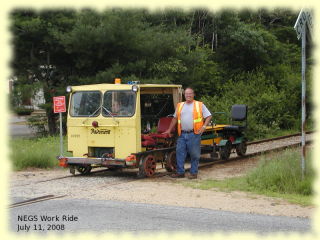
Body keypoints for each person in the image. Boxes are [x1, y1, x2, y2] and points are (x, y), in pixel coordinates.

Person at [163, 87, 212, 179]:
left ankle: (193, 173)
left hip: (194, 134)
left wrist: (204, 126)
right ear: (184, 95)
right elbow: (174, 119)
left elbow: (209, 116)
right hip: (182, 134)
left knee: (194, 154)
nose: (188, 95)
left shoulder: (199, 105)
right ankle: (180, 172)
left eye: (190, 93)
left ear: (193, 94)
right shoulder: (180, 105)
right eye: (186, 94)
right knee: (180, 153)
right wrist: (169, 130)